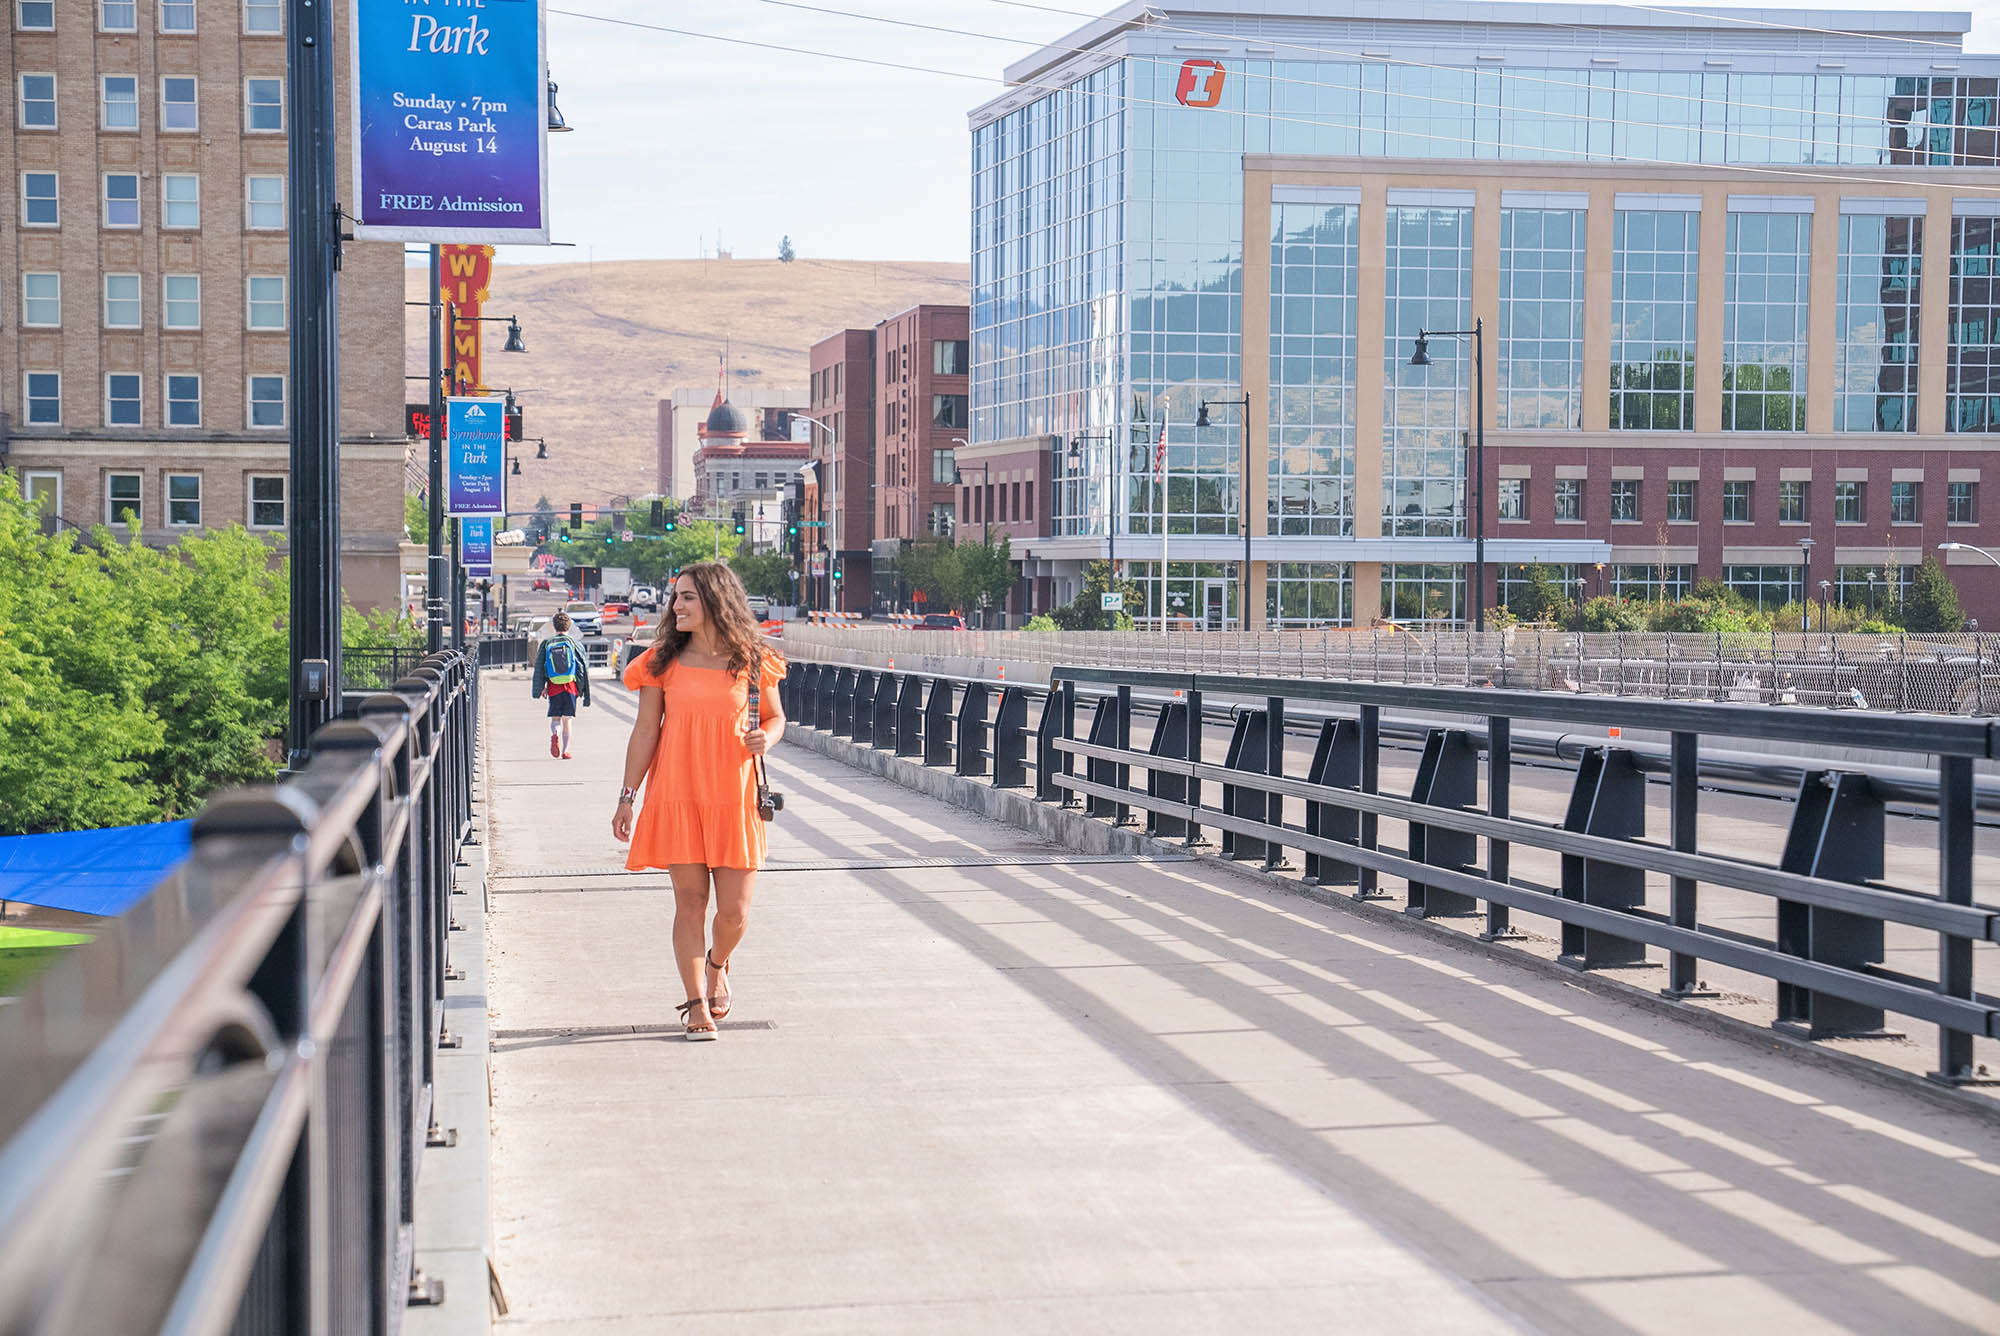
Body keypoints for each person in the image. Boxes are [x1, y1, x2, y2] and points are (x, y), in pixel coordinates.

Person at [612, 563, 786, 1040]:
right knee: (689, 902)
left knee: (734, 913)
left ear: (715, 599)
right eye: (676, 597)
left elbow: (775, 718)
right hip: (677, 794)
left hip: (734, 795)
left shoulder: (753, 659)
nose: (676, 606)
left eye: (687, 596)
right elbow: (645, 732)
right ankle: (695, 1004)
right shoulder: (660, 662)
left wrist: (767, 738)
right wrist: (627, 797)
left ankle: (717, 963)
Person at [532, 611, 591, 758]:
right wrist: (582, 689)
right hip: (570, 686)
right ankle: (565, 751)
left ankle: (555, 733)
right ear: (569, 626)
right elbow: (582, 668)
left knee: (555, 719)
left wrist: (541, 687)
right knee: (567, 719)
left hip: (554, 686)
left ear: (554, 626)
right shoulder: (575, 644)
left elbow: (539, 667)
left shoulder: (547, 643)